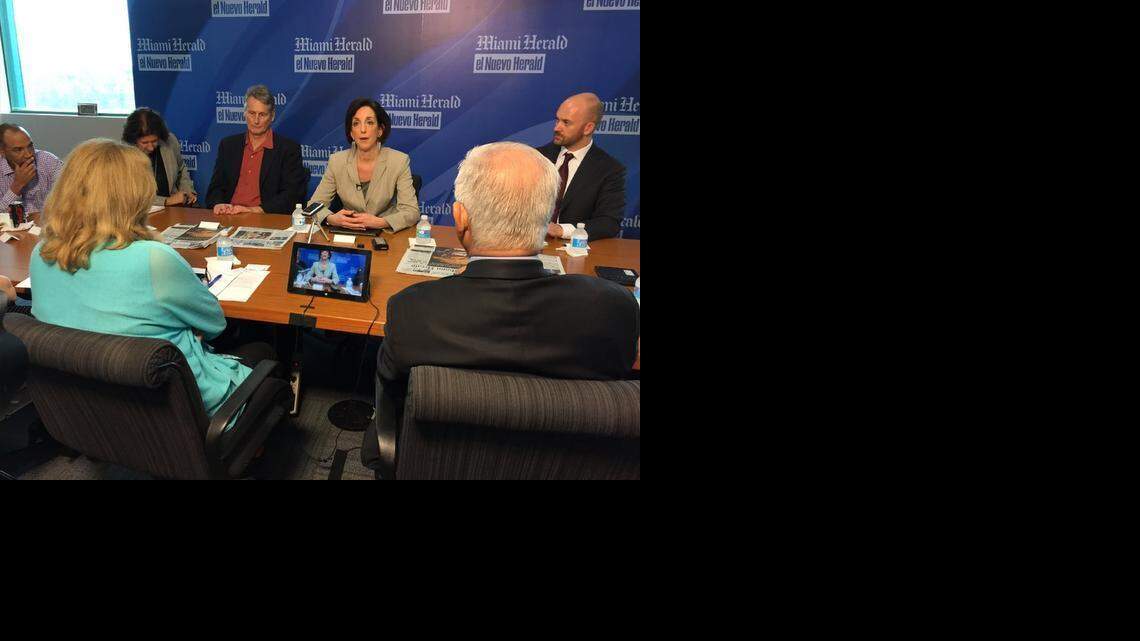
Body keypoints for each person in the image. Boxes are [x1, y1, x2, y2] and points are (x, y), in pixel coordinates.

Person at [361, 141, 640, 468]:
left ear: (460, 218)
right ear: (547, 215)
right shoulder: (614, 308)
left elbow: (390, 394)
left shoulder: (411, 310)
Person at [29, 138, 273, 417]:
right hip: (173, 413)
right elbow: (216, 324)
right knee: (262, 351)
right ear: (133, 196)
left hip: (88, 412)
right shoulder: (154, 259)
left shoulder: (41, 255)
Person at [308, 97, 419, 232]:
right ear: (351, 133)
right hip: (348, 234)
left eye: (370, 122)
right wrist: (331, 219)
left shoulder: (398, 161)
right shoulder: (337, 161)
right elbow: (313, 205)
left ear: (380, 130)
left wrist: (380, 222)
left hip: (385, 235)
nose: (363, 129)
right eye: (356, 123)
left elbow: (412, 212)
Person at [535, 93, 627, 241]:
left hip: (572, 252)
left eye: (566, 122)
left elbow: (608, 223)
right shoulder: (536, 157)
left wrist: (561, 230)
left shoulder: (609, 170)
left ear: (588, 128)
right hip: (528, 247)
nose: (557, 127)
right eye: (557, 120)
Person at [206, 85, 308, 215]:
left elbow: (292, 196)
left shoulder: (288, 149)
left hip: (263, 218)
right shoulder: (228, 145)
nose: (256, 120)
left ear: (272, 116)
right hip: (228, 216)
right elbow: (215, 188)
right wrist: (218, 204)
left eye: (262, 114)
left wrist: (255, 210)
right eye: (252, 113)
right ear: (244, 113)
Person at [122, 107, 198, 208]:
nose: (150, 147)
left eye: (154, 141)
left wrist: (187, 191)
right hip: (143, 212)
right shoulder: (124, 155)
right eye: (145, 142)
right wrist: (166, 201)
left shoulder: (170, 141)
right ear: (133, 140)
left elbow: (181, 168)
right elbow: (131, 196)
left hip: (175, 209)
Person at [0, 124, 64, 215]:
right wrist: (17, 185)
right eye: (18, 150)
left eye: (30, 146)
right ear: (2, 151)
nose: (28, 155)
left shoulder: (49, 162)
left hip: (46, 225)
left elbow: (69, 200)